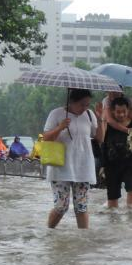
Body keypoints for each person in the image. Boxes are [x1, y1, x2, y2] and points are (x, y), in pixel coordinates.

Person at [43, 88, 105, 229]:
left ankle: (82, 241)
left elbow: (100, 138)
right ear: (71, 101)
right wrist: (60, 127)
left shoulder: (89, 115)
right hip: (60, 167)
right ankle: (49, 232)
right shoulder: (56, 113)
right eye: (82, 104)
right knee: (61, 207)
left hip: (83, 167)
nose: (85, 108)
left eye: (87, 104)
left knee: (81, 207)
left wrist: (100, 118)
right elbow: (45, 137)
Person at [101, 96, 132, 208]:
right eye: (118, 112)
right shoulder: (107, 125)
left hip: (130, 164)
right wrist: (103, 166)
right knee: (113, 198)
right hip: (111, 165)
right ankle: (113, 223)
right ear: (113, 111)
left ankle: (131, 221)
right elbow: (103, 144)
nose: (121, 114)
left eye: (124, 111)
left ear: (128, 111)